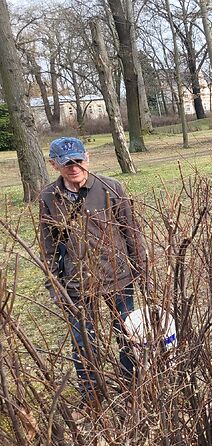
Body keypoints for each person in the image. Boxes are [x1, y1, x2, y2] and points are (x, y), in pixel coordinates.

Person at [39, 137, 147, 409]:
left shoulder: (111, 187)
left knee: (129, 337)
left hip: (118, 278)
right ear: (54, 165)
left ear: (87, 158)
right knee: (83, 343)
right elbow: (49, 246)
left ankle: (131, 390)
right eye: (66, 164)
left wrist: (141, 271)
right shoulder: (49, 198)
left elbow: (131, 232)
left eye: (78, 161)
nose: (74, 167)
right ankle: (92, 398)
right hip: (77, 284)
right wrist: (55, 286)